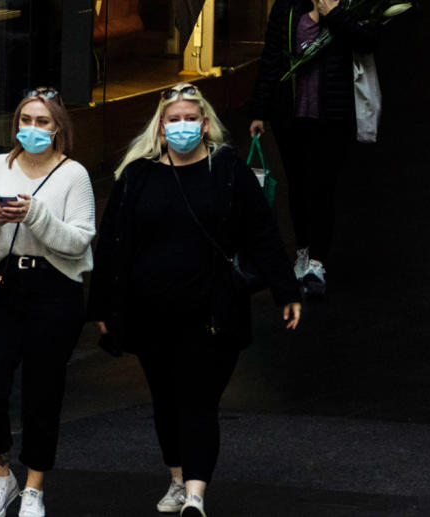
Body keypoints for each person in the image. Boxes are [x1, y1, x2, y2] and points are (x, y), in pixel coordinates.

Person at [88, 83, 303, 517]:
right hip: (152, 314)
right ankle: (176, 479)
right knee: (166, 402)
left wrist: (286, 289)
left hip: (212, 313)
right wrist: (102, 308)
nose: (182, 126)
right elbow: (111, 245)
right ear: (161, 126)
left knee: (199, 400)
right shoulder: (138, 175)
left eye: (191, 118)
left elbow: (261, 232)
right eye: (174, 119)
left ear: (205, 124)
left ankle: (195, 495)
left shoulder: (226, 169)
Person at [0, 87, 96, 517]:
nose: (32, 129)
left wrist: (35, 213)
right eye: (25, 120)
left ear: (58, 127)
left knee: (43, 390)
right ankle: (1, 477)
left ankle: (35, 486)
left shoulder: (73, 174)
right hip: (3, 285)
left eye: (42, 122)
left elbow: (79, 242)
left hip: (54, 289)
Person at [248, 0, 378, 295]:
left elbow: (368, 42)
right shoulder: (286, 6)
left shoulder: (352, 6)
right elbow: (272, 58)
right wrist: (259, 110)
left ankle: (317, 262)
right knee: (297, 185)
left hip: (331, 116)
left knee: (322, 185)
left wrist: (334, 15)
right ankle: (303, 251)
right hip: (290, 114)